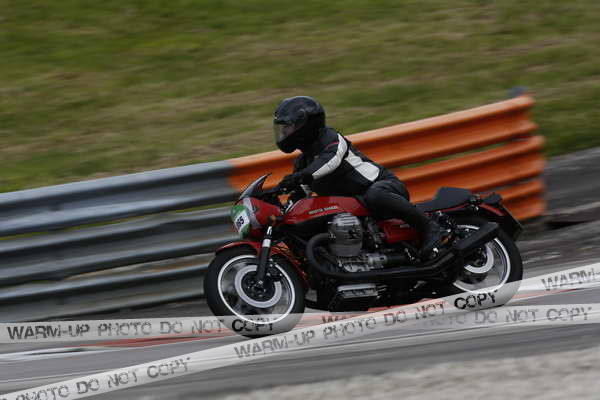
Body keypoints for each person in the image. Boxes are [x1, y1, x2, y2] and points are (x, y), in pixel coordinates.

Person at [273, 95, 447, 257]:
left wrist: (302, 176)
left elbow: (330, 159)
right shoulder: (303, 162)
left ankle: (430, 227)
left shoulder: (330, 137)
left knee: (376, 195)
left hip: (384, 186)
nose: (284, 132)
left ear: (304, 125)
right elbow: (301, 194)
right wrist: (277, 199)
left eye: (288, 126)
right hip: (355, 207)